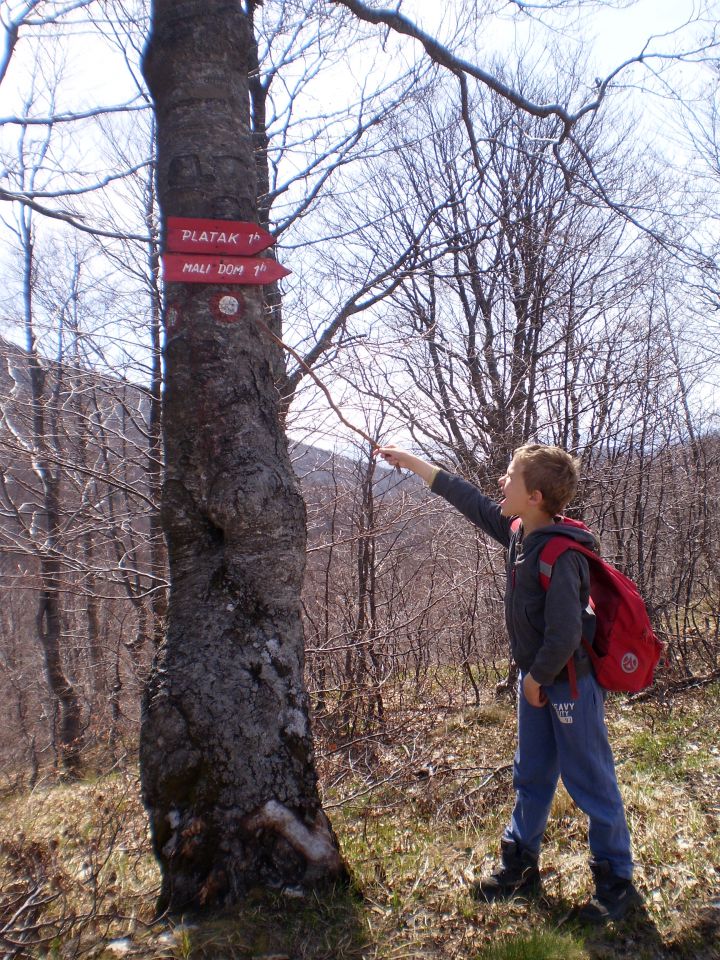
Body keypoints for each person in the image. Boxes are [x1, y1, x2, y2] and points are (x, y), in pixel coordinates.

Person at [375, 442, 641, 924]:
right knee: (532, 773)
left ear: (534, 496)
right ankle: (519, 865)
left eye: (510, 477)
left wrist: (537, 679)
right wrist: (412, 463)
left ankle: (617, 882)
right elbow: (469, 499)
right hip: (536, 683)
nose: (501, 482)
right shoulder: (520, 532)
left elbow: (564, 632)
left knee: (590, 780)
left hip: (568, 687)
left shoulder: (561, 555)